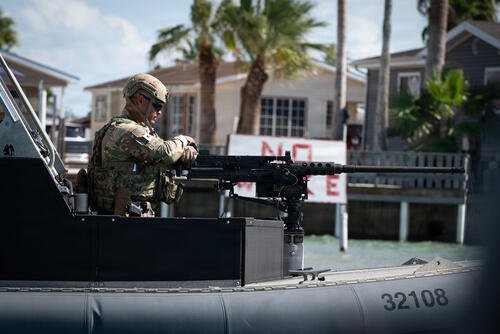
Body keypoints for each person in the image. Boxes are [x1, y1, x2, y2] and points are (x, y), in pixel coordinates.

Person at [87, 73, 198, 216]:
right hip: (123, 222)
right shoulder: (127, 131)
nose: (159, 112)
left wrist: (186, 150)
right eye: (157, 105)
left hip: (126, 219)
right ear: (140, 100)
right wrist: (186, 140)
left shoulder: (128, 130)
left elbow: (163, 151)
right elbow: (163, 152)